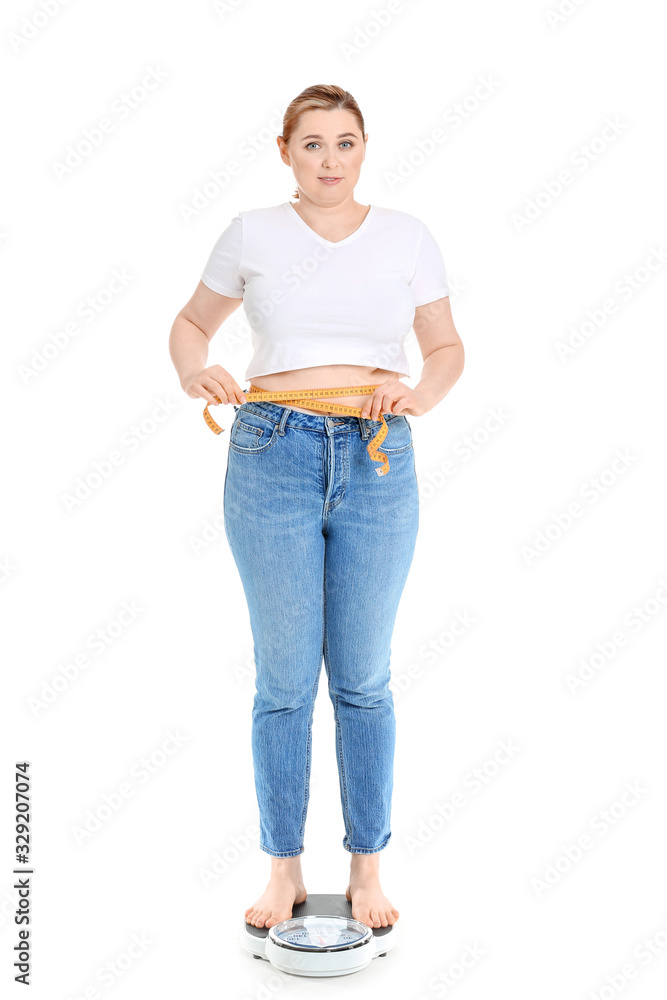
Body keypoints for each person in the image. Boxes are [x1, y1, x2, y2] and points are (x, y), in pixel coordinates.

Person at [169, 84, 464, 932]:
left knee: (364, 679)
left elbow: (444, 346)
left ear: (364, 148)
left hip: (376, 456)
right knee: (284, 680)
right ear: (284, 150)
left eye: (344, 143)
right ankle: (283, 869)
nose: (329, 160)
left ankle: (368, 867)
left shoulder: (407, 235)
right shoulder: (251, 233)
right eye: (312, 144)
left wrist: (420, 394)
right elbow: (190, 323)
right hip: (271, 450)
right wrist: (196, 370)